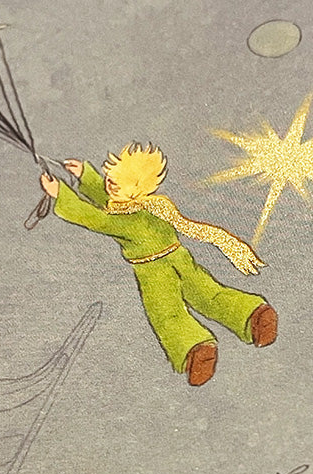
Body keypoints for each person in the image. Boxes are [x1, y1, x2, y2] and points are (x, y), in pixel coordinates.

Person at [40, 142, 277, 386]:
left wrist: (61, 194)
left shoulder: (125, 220)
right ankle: (253, 315)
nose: (110, 182)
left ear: (136, 190)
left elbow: (96, 218)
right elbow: (111, 200)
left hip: (154, 272)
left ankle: (195, 348)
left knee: (167, 314)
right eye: (111, 177)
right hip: (180, 258)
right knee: (211, 294)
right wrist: (85, 175)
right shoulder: (150, 205)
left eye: (116, 180)